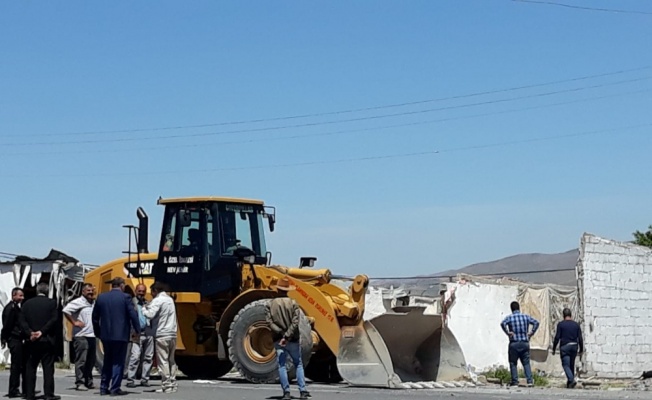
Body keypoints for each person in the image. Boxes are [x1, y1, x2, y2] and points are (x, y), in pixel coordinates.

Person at [91, 277, 141, 396]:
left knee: (107, 360)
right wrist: (137, 330)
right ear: (122, 286)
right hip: (121, 335)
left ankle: (103, 387)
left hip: (106, 335)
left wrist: (97, 331)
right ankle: (115, 388)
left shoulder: (101, 297)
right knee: (118, 362)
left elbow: (94, 317)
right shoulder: (126, 297)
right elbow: (133, 315)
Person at [265, 276, 310, 400]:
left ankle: (286, 392)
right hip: (293, 340)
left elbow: (269, 322)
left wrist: (281, 334)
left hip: (278, 340)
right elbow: (295, 322)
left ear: (278, 289)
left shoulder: (270, 304)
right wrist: (288, 336)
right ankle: (303, 391)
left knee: (282, 365)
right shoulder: (294, 303)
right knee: (298, 364)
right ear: (287, 290)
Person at [18, 282, 60, 400]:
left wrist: (30, 332)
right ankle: (48, 394)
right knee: (48, 368)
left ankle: (29, 394)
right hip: (46, 339)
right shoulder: (52, 303)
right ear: (47, 291)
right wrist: (42, 332)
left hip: (31, 340)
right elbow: (54, 320)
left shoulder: (26, 304)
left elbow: (22, 321)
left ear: (37, 291)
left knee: (30, 368)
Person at [143, 282, 178, 394]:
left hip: (162, 334)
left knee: (163, 361)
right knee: (171, 360)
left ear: (155, 290)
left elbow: (150, 314)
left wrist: (144, 308)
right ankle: (173, 383)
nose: (151, 295)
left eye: (152, 292)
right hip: (172, 333)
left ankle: (166, 385)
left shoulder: (158, 300)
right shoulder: (169, 299)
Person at [62, 283, 96, 391]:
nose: (90, 292)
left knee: (91, 361)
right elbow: (66, 310)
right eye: (88, 291)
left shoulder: (93, 303)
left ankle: (89, 381)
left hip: (92, 335)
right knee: (81, 360)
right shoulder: (78, 302)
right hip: (81, 336)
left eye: (91, 290)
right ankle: (80, 382)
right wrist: (74, 322)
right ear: (83, 292)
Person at [500, 301, 539, 387]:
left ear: (511, 309)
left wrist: (508, 332)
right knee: (526, 362)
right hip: (525, 342)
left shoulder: (510, 318)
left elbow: (502, 323)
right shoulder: (525, 317)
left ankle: (515, 381)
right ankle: (529, 381)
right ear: (519, 308)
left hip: (514, 343)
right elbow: (536, 322)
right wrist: (531, 333)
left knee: (513, 362)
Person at [126, 284, 154, 388]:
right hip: (136, 333)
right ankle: (131, 380)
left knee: (148, 357)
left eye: (143, 291)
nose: (141, 293)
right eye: (139, 291)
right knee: (135, 356)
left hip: (148, 333)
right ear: (135, 291)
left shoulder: (148, 303)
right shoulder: (131, 303)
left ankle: (145, 379)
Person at [1, 287, 27, 398]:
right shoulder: (11, 308)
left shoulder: (16, 307)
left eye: (22, 295)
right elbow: (7, 325)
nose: (22, 298)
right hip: (14, 339)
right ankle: (13, 389)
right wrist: (4, 338)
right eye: (20, 295)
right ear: (14, 296)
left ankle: (15, 388)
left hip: (17, 339)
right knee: (16, 366)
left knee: (19, 365)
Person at [552, 308, 584, 388]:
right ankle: (570, 384)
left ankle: (571, 379)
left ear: (563, 315)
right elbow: (580, 338)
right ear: (571, 315)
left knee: (566, 365)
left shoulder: (561, 324)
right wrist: (581, 349)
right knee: (571, 365)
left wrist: (554, 348)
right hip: (574, 346)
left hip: (565, 347)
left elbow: (557, 337)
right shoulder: (576, 325)